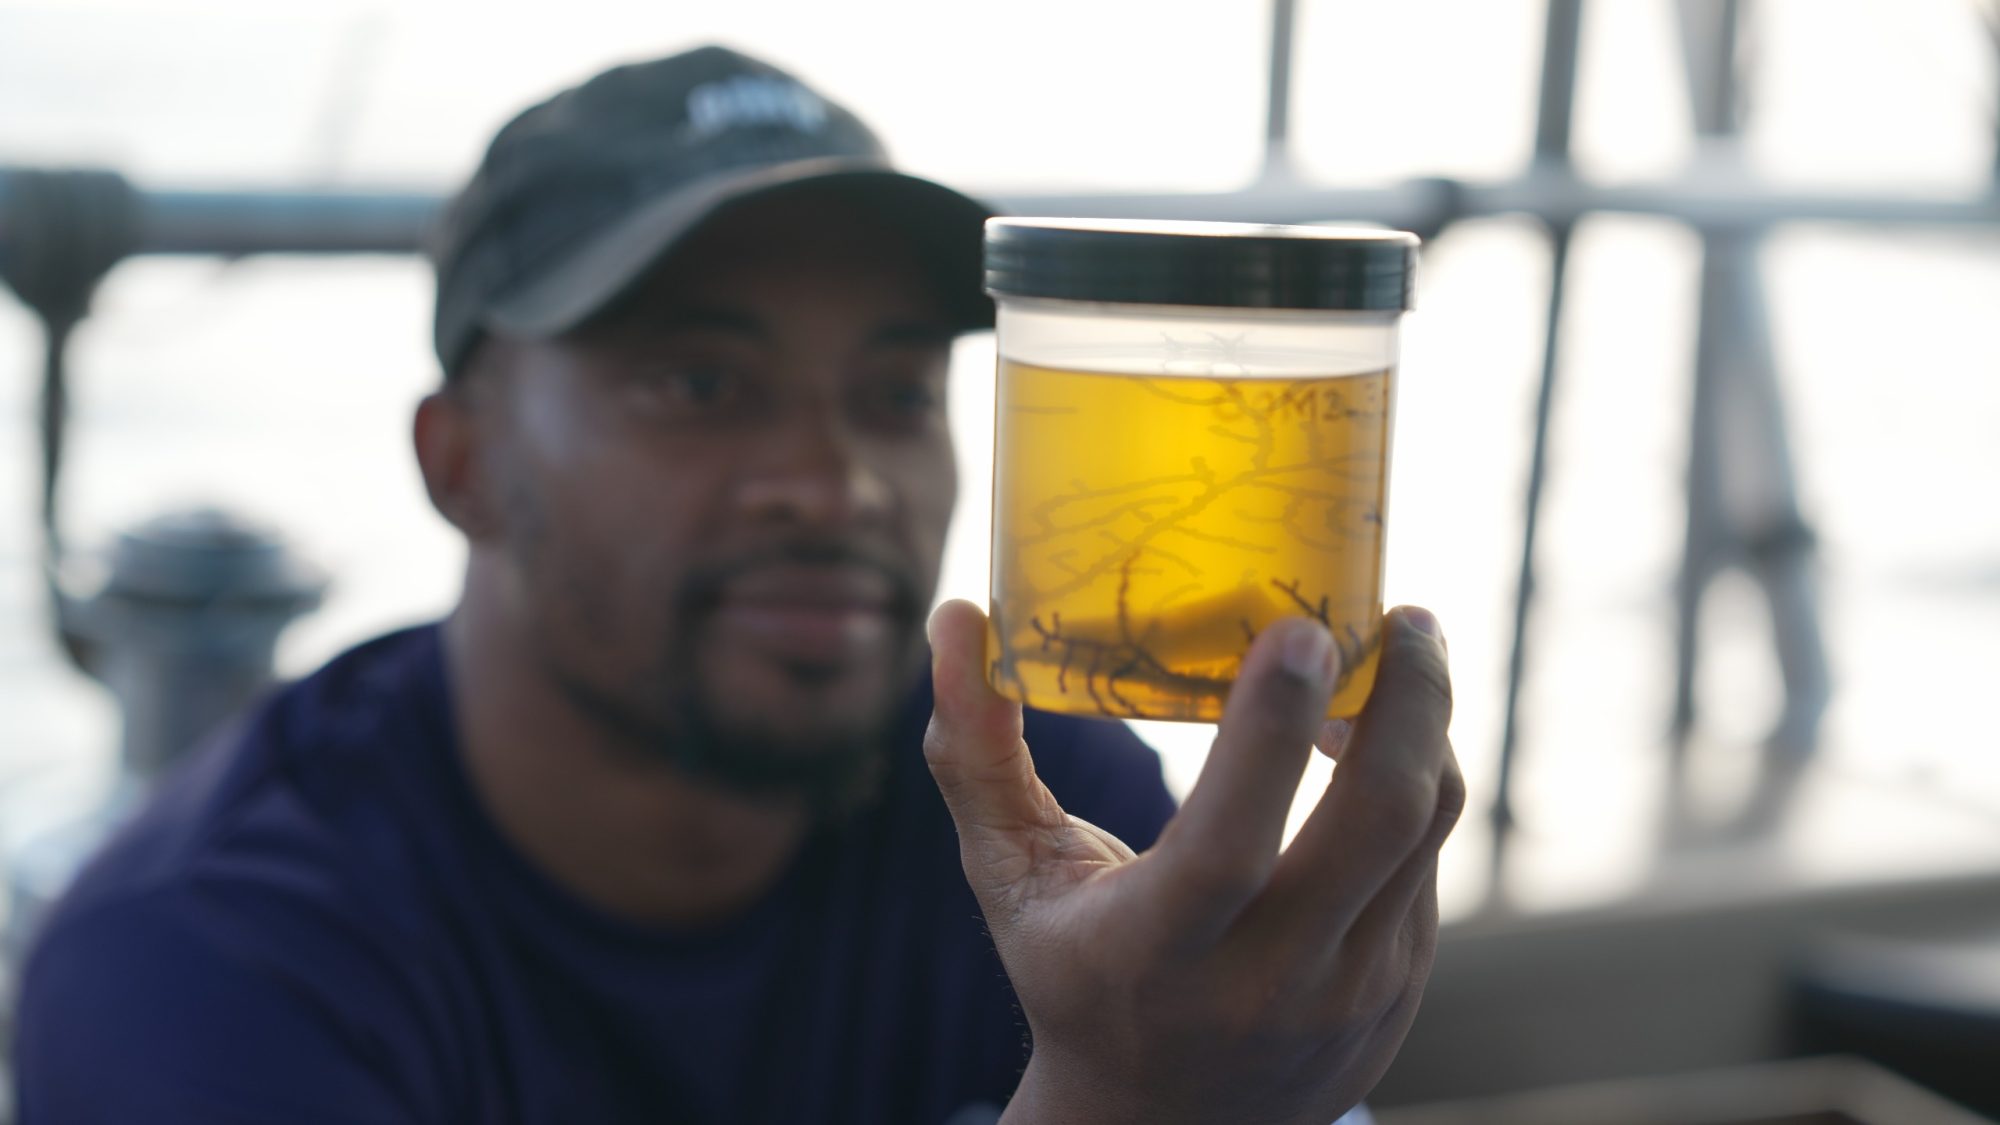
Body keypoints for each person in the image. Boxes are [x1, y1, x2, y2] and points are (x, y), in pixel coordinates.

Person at [13, 46, 1462, 1125]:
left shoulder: (1049, 817)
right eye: (701, 382)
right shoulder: (209, 965)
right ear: (461, 462)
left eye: (895, 388)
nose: (834, 482)